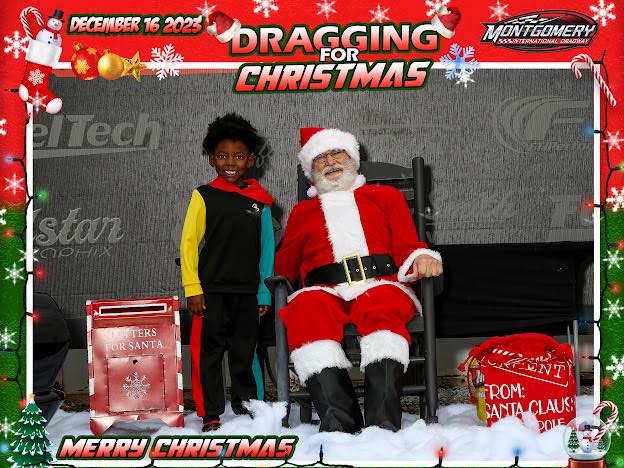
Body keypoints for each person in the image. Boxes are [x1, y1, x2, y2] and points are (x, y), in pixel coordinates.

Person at [275, 127, 443, 433]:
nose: (330, 162)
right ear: (311, 170)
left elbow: (408, 244)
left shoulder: (385, 197)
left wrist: (422, 257)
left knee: (382, 307)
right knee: (305, 311)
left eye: (337, 153)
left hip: (379, 282)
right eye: (320, 158)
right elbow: (284, 265)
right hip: (324, 288)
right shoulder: (302, 212)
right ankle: (339, 423)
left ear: (352, 158)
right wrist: (271, 285)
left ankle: (382, 424)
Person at [180, 113, 275, 432]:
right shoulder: (203, 196)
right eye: (222, 156)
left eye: (238, 156)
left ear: (251, 160)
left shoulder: (261, 203)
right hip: (209, 294)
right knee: (207, 354)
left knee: (245, 352)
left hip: (248, 293)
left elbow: (266, 250)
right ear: (211, 159)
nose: (230, 163)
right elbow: (188, 244)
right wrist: (193, 288)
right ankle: (210, 414)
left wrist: (263, 292)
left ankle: (250, 407)